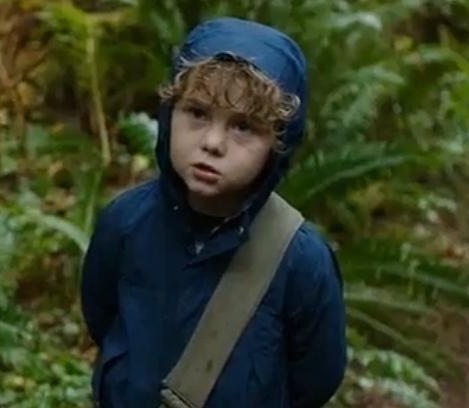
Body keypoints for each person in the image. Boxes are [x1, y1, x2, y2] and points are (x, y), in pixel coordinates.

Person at [81, 17, 346, 408]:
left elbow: (317, 377)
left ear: (277, 145)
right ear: (170, 114)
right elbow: (101, 315)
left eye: (243, 127)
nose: (213, 143)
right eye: (198, 113)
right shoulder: (125, 223)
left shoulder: (301, 260)